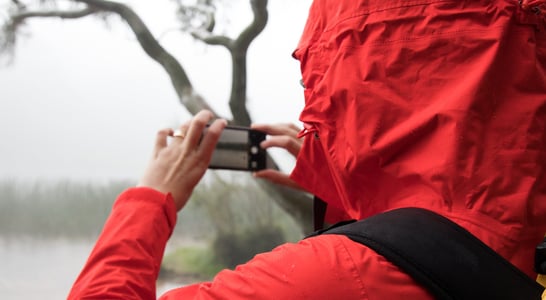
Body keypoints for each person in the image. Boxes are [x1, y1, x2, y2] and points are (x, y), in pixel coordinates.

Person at [68, 0, 546, 299]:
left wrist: (151, 198)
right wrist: (336, 171)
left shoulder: (336, 278)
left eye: (316, 81)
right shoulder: (527, 232)